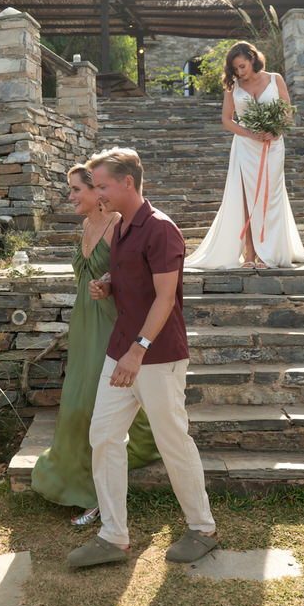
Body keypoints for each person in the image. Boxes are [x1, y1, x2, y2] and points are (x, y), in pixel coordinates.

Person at [67, 148, 218, 569]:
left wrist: (137, 352)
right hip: (121, 351)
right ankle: (113, 536)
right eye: (95, 187)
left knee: (173, 441)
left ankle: (202, 528)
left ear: (127, 183)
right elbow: (134, 277)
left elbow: (166, 297)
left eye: (102, 186)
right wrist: (108, 284)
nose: (98, 194)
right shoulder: (122, 228)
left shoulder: (161, 229)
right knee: (104, 436)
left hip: (156, 355)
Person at [31, 164, 159, 525]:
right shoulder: (87, 225)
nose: (69, 196)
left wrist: (110, 283)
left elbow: (134, 276)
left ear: (96, 193)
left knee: (91, 403)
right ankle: (76, 474)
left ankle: (95, 493)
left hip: (111, 325)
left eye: (76, 190)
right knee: (77, 398)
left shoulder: (119, 225)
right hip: (84, 322)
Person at [185, 41, 304, 270]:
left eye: (242, 66)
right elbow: (226, 120)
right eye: (235, 69)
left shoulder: (275, 79)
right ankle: (250, 253)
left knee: (269, 197)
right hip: (245, 146)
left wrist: (274, 130)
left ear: (253, 58)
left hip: (272, 146)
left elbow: (287, 113)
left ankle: (268, 253)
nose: (240, 72)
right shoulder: (233, 86)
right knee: (246, 198)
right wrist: (250, 133)